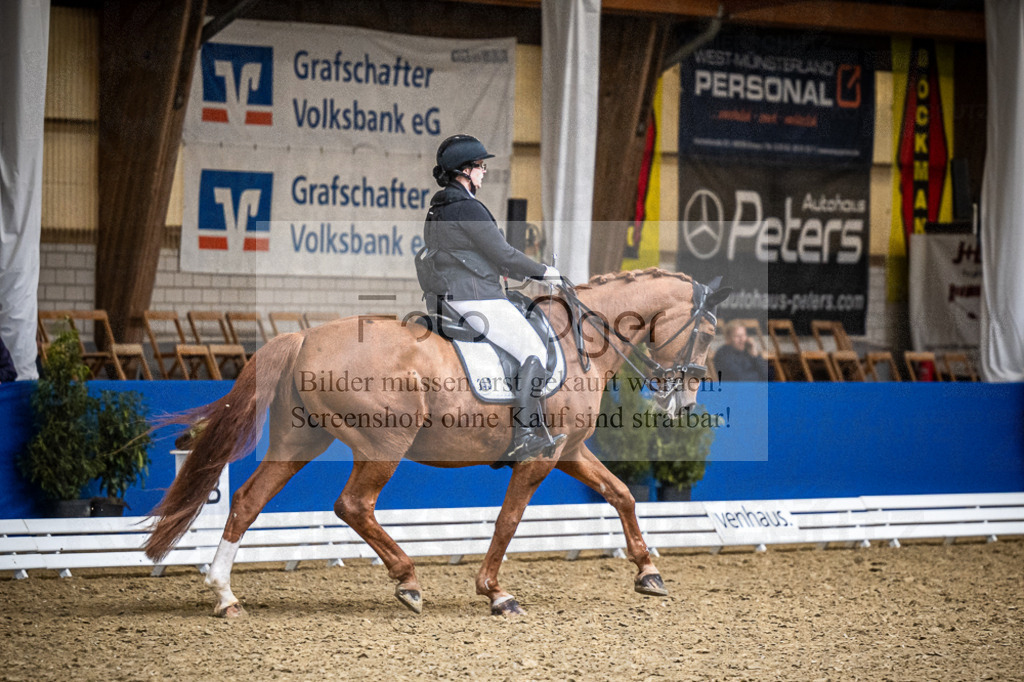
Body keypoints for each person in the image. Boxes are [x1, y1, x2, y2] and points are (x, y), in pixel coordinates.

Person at [423, 134, 565, 462]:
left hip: (450, 299)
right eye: (480, 166)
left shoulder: (439, 208)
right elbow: (503, 254)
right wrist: (545, 272)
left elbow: (477, 257)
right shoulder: (467, 207)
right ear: (465, 171)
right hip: (476, 299)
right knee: (534, 349)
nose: (484, 171)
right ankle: (524, 434)